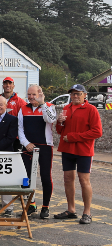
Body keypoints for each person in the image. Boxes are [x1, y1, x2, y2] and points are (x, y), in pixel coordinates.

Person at [55, 84, 102, 224]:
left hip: (84, 150)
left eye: (78, 94)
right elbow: (59, 131)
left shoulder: (91, 109)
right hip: (67, 150)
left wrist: (73, 137)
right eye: (73, 94)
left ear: (84, 95)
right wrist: (59, 122)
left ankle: (87, 212)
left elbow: (97, 132)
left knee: (84, 180)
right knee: (68, 179)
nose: (75, 96)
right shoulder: (66, 108)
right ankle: (71, 210)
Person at [17, 85, 56, 219]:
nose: (31, 97)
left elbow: (50, 120)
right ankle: (31, 204)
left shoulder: (49, 106)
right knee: (26, 177)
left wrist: (43, 103)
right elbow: (20, 129)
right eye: (29, 94)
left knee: (45, 176)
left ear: (40, 93)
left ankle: (46, 206)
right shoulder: (23, 109)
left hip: (45, 146)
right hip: (28, 147)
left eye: (34, 94)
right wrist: (26, 143)